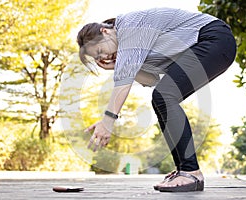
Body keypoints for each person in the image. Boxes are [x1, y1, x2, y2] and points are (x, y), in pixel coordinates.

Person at [77, 7, 236, 192]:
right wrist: (118, 65)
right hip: (212, 45)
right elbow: (151, 80)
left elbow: (124, 80)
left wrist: (107, 121)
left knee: (165, 95)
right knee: (161, 97)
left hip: (214, 39)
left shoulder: (129, 26)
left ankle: (191, 171)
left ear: (104, 32)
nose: (103, 57)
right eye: (98, 58)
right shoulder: (132, 47)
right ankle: (184, 170)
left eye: (100, 51)